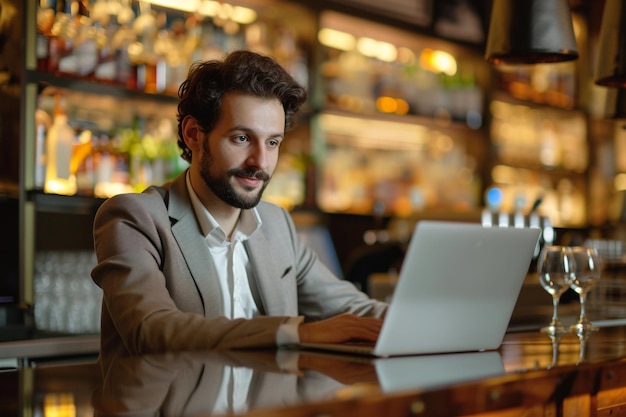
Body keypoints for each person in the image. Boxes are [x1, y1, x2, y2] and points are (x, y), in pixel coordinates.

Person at [91, 50, 387, 367]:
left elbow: (353, 309)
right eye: (242, 137)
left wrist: (430, 324)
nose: (259, 162)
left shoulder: (276, 224)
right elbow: (151, 331)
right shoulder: (134, 217)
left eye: (273, 142)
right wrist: (298, 334)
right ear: (194, 134)